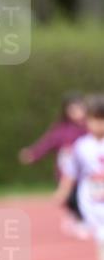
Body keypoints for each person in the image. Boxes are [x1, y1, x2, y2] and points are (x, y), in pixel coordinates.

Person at [18, 91, 88, 238]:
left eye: (79, 108)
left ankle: (81, 218)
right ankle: (76, 219)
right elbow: (47, 144)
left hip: (86, 172)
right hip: (66, 172)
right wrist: (33, 154)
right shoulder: (61, 130)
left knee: (85, 196)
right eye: (73, 109)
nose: (77, 112)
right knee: (70, 197)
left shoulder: (90, 128)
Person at [58, 94, 104, 260]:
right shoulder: (82, 146)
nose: (98, 125)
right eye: (94, 120)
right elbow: (71, 172)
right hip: (93, 202)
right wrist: (62, 192)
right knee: (101, 238)